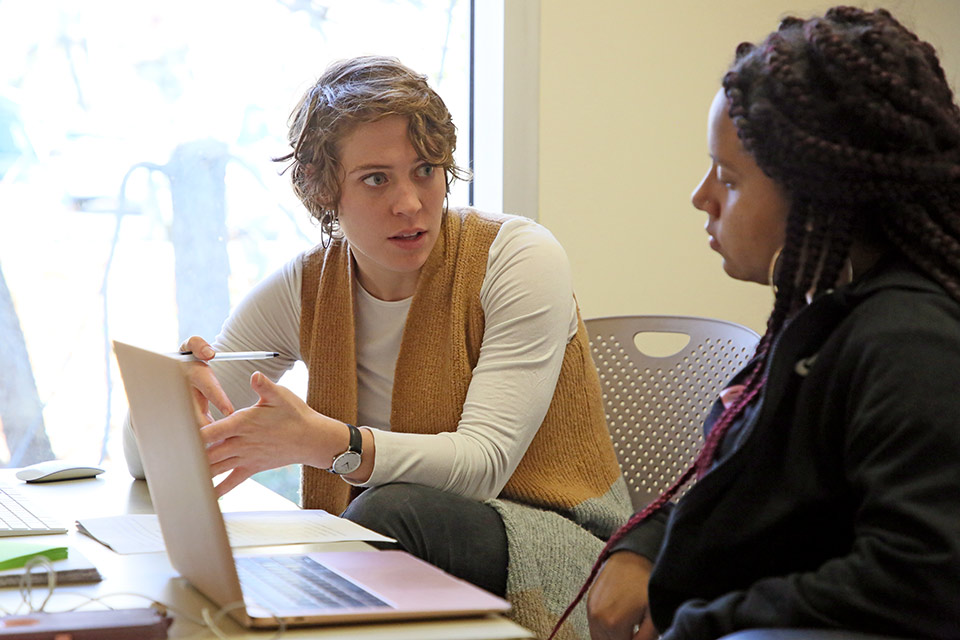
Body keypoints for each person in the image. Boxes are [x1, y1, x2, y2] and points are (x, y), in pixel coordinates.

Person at [123, 55, 631, 639]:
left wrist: (329, 443)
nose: (410, 203)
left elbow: (483, 465)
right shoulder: (305, 287)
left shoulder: (518, 258)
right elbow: (149, 463)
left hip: (565, 546)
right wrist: (169, 398)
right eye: (375, 179)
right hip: (396, 543)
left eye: (424, 170)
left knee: (387, 511)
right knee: (351, 530)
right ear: (322, 191)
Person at [565, 7, 960, 640]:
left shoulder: (910, 342)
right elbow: (743, 491)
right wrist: (643, 545)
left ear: (819, 194)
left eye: (727, 177)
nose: (702, 197)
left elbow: (919, 579)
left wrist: (696, 623)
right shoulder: (818, 318)